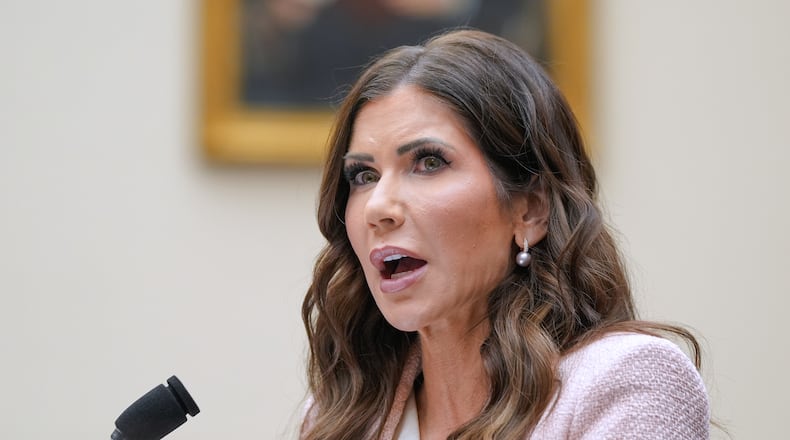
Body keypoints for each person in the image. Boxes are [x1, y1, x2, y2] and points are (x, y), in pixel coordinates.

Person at [299, 29, 710, 439]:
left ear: (530, 210)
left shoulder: (625, 382)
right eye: (364, 175)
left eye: (428, 162)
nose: (377, 208)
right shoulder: (341, 414)